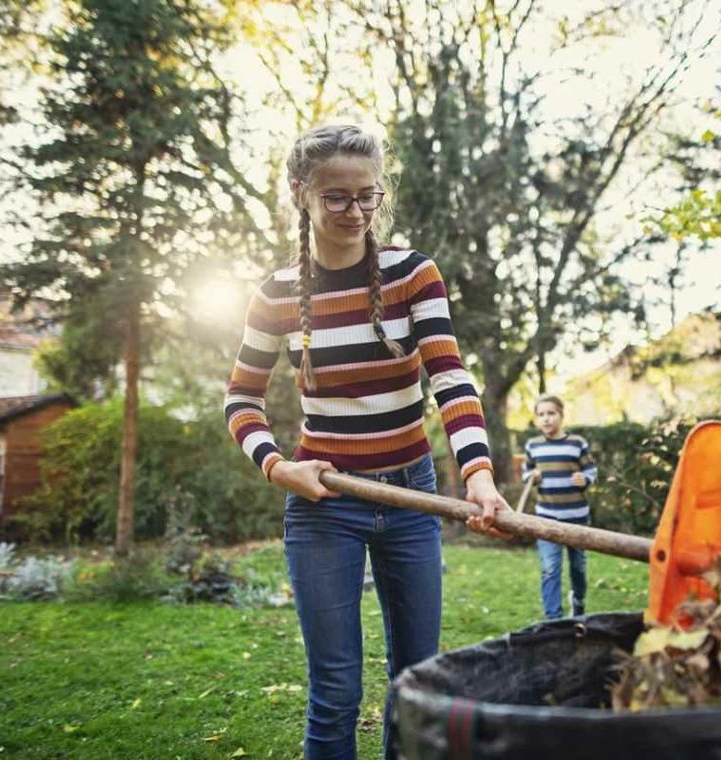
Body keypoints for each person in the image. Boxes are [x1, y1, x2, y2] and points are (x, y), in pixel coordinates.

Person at [223, 123, 509, 760]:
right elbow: (240, 398)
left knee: (416, 683)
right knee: (334, 691)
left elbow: (449, 376)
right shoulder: (275, 294)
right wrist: (276, 468)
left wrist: (479, 473)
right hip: (325, 505)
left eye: (367, 196)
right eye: (337, 198)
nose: (355, 212)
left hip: (412, 498)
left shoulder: (413, 274)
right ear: (302, 194)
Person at [521, 394, 597, 619]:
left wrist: (585, 479)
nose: (546, 419)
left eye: (551, 413)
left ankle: (578, 602)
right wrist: (531, 476)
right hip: (546, 518)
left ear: (561, 416)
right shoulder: (533, 446)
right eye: (541, 414)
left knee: (579, 567)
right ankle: (553, 619)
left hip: (577, 518)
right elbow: (526, 473)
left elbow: (591, 470)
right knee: (550, 568)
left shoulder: (577, 443)